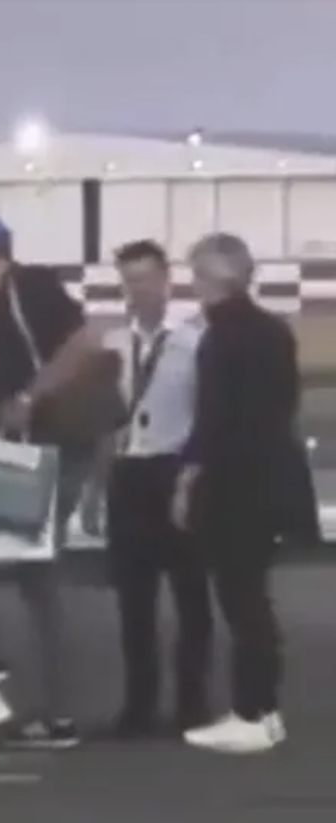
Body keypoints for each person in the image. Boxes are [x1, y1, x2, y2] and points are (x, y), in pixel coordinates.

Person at [0, 204, 113, 748]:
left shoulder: (27, 287)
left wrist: (30, 397)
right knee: (4, 565)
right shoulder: (2, 304)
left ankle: (40, 699)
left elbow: (84, 341)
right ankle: (2, 665)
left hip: (39, 457)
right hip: (22, 456)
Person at [174, 233, 318, 753]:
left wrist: (188, 481)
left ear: (216, 278)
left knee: (241, 602)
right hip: (272, 480)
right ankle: (263, 709)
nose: (192, 285)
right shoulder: (275, 331)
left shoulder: (222, 337)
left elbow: (213, 419)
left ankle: (252, 711)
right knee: (252, 598)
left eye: (196, 275)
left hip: (235, 487)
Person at [102, 239, 213, 738]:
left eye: (146, 278)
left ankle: (192, 702)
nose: (138, 290)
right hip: (127, 474)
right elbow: (104, 420)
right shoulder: (113, 345)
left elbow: (208, 415)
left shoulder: (193, 342)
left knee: (190, 596)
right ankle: (139, 705)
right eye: (129, 280)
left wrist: (194, 477)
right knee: (133, 601)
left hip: (175, 472)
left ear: (167, 281)